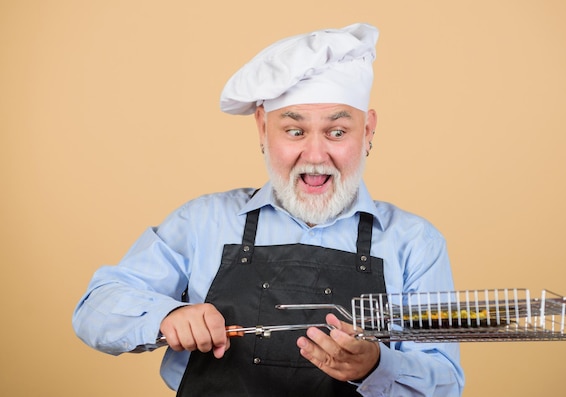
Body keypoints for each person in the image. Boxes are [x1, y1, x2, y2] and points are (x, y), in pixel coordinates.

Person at [73, 23, 465, 396]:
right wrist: (165, 315)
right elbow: (96, 307)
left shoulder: (415, 243)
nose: (315, 155)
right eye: (294, 131)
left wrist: (376, 367)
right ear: (262, 128)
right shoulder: (204, 222)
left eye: (337, 132)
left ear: (369, 131)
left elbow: (446, 383)